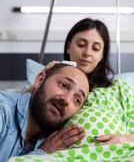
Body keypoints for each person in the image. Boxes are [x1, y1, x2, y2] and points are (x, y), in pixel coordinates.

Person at [41, 18, 134, 148]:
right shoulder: (50, 82)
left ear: (102, 55)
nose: (87, 53)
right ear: (68, 47)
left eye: (96, 48)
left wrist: (125, 139)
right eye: (81, 45)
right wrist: (45, 78)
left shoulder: (119, 89)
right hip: (65, 161)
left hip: (118, 157)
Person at [0, 63, 89, 162]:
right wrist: (41, 154)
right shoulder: (3, 111)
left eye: (77, 100)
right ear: (40, 80)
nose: (66, 100)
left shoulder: (56, 140)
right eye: (63, 85)